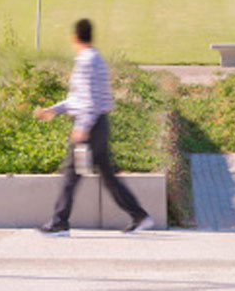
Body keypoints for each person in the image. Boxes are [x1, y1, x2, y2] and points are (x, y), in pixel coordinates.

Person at [33, 18, 156, 235]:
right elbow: (78, 99)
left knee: (71, 173)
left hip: (90, 128)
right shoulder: (94, 59)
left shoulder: (86, 61)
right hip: (99, 126)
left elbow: (87, 100)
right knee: (107, 176)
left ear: (75, 38)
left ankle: (59, 222)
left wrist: (82, 127)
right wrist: (53, 110)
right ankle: (140, 216)